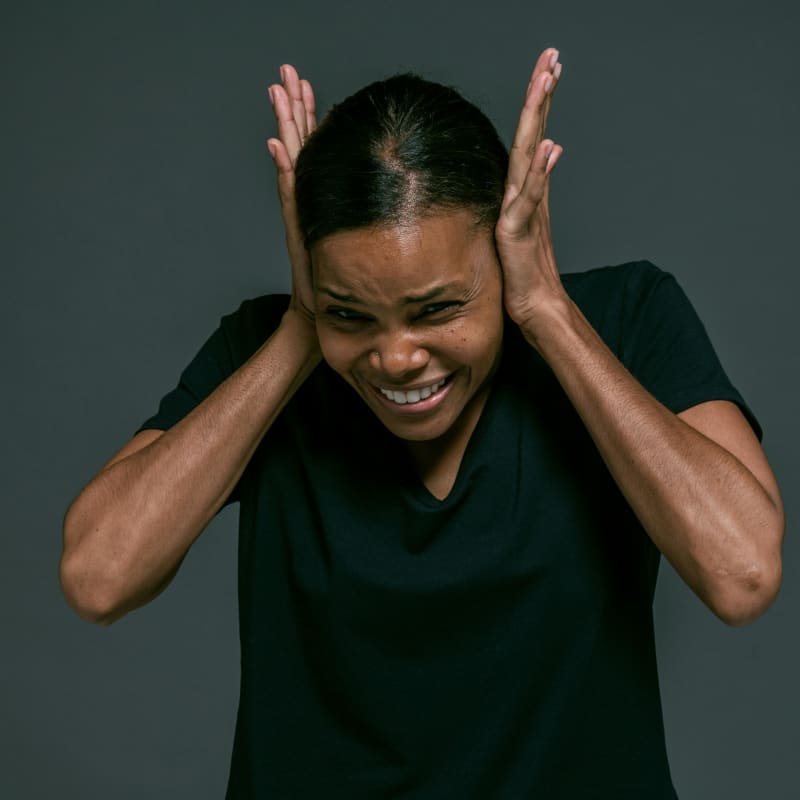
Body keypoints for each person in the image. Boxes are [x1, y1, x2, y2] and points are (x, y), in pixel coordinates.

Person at [60, 48, 784, 798]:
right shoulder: (268, 353)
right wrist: (303, 329)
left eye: (437, 310)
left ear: (505, 250)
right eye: (354, 314)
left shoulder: (627, 322)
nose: (396, 357)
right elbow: (98, 577)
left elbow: (743, 572)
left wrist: (548, 313)